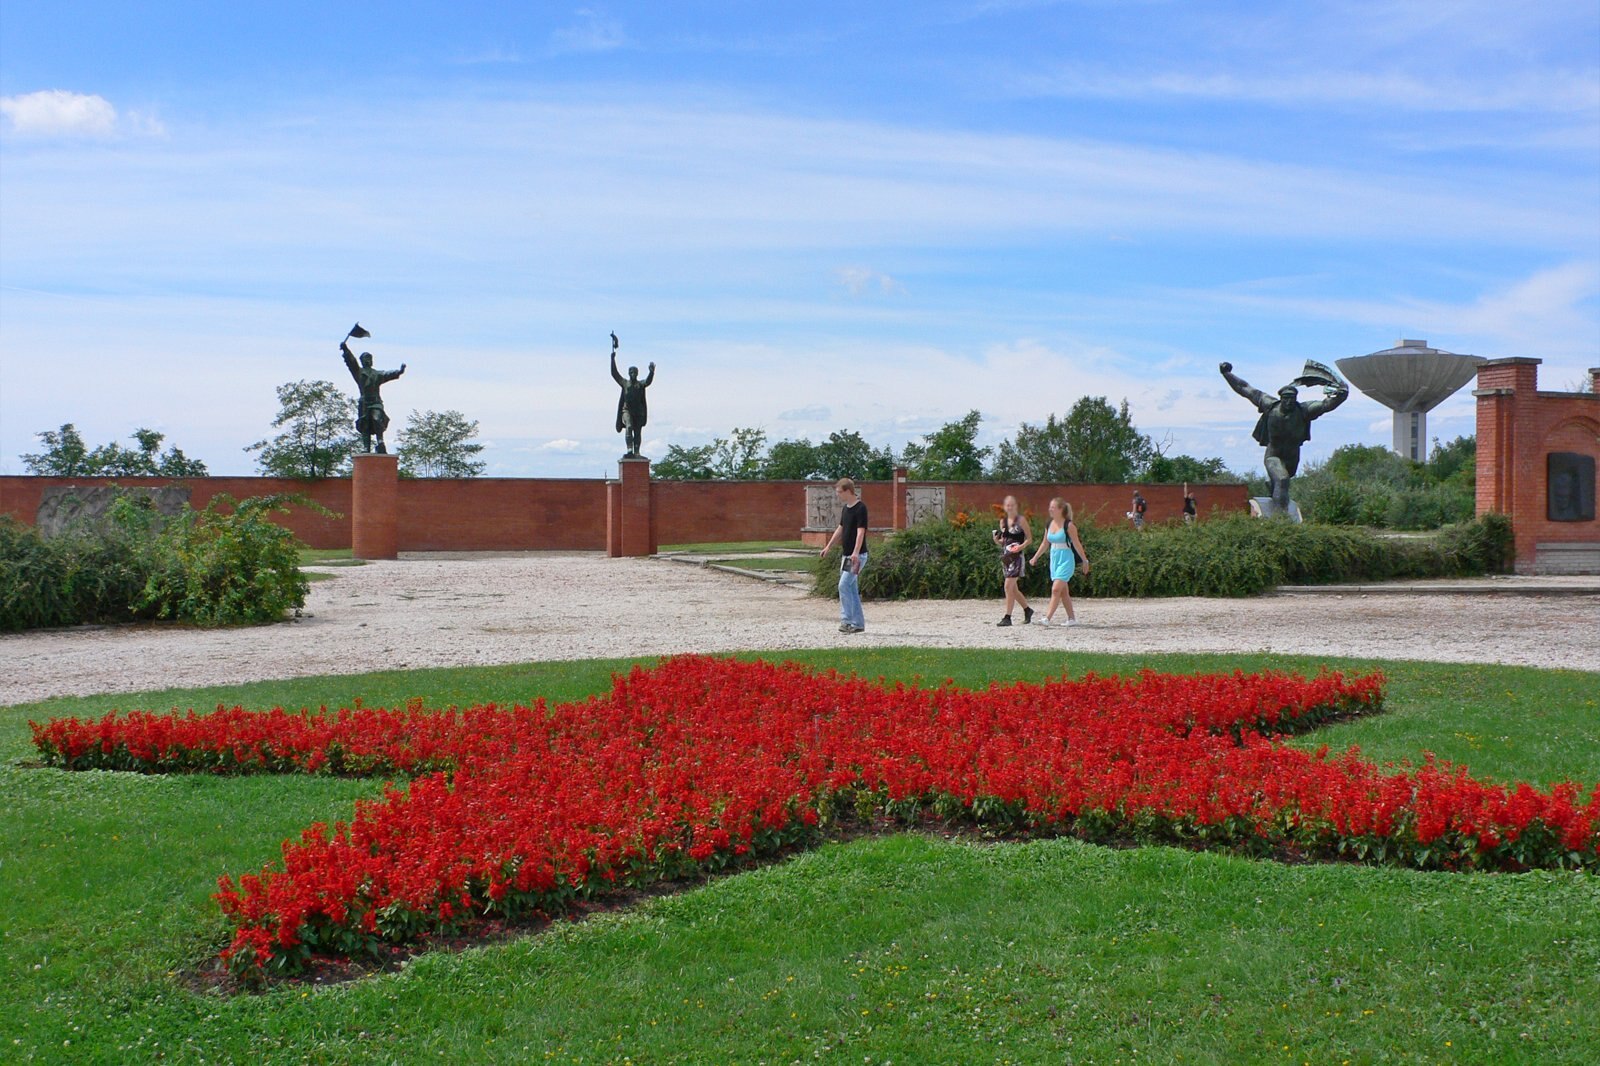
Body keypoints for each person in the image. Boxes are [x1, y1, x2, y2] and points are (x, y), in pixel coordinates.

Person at [1220, 360, 1348, 515]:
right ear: (1281, 398)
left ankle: (1273, 489)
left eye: (1292, 398)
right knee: (1282, 480)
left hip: (1292, 456)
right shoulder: (1270, 405)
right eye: (1286, 398)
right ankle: (1281, 521)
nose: (1289, 402)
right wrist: (1227, 374)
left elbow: (1327, 405)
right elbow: (1244, 388)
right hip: (1273, 454)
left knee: (1283, 482)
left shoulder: (1303, 410)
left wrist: (1342, 394)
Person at [1029, 497, 1090, 627]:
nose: (1050, 509)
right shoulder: (1049, 524)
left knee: (1056, 589)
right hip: (1054, 557)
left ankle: (1047, 618)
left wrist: (1085, 561)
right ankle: (1072, 619)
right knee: (1063, 592)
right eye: (1050, 507)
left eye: (1053, 507)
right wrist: (1035, 557)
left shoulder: (1069, 525)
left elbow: (1077, 544)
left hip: (1066, 558)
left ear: (1061, 509)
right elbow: (1045, 543)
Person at [820, 478, 869, 633]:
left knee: (843, 585)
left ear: (848, 491)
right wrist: (828, 546)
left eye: (840, 492)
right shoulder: (846, 509)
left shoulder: (861, 508)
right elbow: (840, 528)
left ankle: (846, 621)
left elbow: (861, 532)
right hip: (846, 556)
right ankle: (858, 624)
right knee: (851, 588)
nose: (838, 495)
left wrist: (856, 552)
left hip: (857, 556)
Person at [340, 341, 405, 454]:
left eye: (370, 358)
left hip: (375, 402)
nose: (368, 360)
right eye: (366, 358)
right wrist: (345, 350)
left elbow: (387, 374)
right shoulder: (358, 372)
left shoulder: (377, 374)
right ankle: (366, 447)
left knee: (376, 419)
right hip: (364, 403)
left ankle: (380, 442)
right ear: (362, 361)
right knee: (365, 425)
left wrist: (399, 371)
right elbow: (351, 362)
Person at [610, 333, 656, 458]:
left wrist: (651, 372)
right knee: (629, 427)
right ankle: (629, 449)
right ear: (629, 373)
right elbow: (614, 374)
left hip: (638, 411)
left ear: (637, 373)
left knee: (638, 431)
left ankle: (637, 451)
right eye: (631, 372)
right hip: (627, 410)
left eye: (635, 372)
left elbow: (648, 381)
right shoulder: (625, 383)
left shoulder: (640, 384)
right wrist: (612, 359)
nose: (633, 373)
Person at [990, 495, 1033, 626]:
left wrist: (1020, 546)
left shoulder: (1021, 520)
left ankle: (1007, 617)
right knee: (1013, 589)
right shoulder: (1002, 521)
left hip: (1017, 557)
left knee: (1008, 586)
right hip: (1006, 557)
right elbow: (1005, 541)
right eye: (1007, 505)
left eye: (1012, 505)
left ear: (1016, 506)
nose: (1009, 507)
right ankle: (1027, 610)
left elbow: (1029, 539)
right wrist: (997, 540)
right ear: (1004, 506)